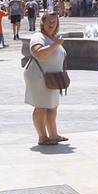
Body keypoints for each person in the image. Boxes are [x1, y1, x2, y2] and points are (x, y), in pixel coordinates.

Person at [25, 11, 68, 145]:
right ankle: (42, 137)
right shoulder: (38, 37)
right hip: (39, 76)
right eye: (49, 21)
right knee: (41, 106)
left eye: (54, 21)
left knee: (52, 106)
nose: (52, 24)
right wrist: (56, 44)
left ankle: (54, 135)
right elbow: (38, 53)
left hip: (52, 77)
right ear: (42, 22)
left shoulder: (53, 37)